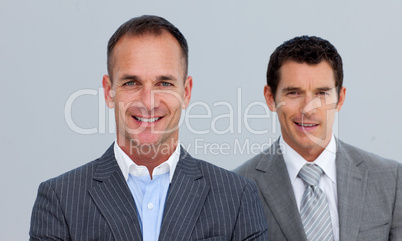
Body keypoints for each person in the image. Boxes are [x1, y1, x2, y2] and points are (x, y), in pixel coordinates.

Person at [30, 15, 268, 241]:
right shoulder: (60, 199)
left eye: (164, 83)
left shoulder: (237, 197)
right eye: (131, 82)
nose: (148, 101)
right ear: (108, 91)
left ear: (186, 92)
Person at [236, 36, 402, 241]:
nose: (308, 108)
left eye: (321, 93)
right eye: (294, 93)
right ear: (270, 98)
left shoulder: (391, 180)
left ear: (340, 98)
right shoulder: (237, 189)